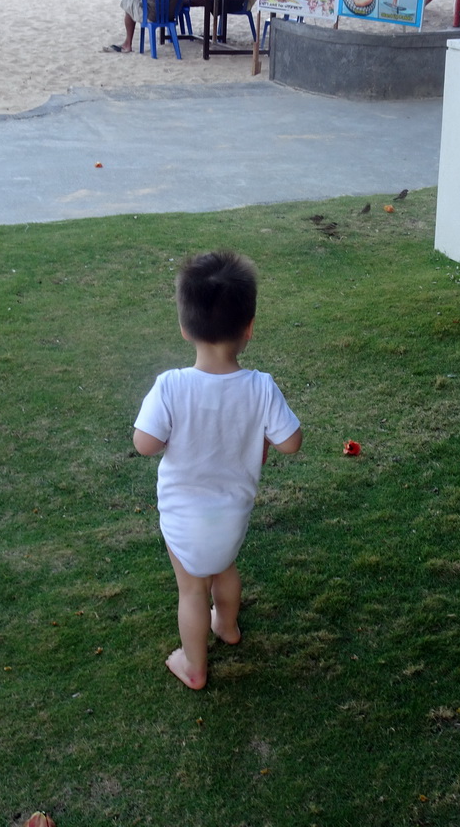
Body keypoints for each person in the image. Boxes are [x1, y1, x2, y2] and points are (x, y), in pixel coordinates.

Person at [133, 250, 302, 690]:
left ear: (185, 328)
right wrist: (262, 434)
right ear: (248, 330)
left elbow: (145, 445)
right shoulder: (261, 387)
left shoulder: (170, 386)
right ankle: (226, 628)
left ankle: (194, 668)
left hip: (183, 517)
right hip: (231, 517)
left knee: (192, 589)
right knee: (224, 568)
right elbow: (291, 442)